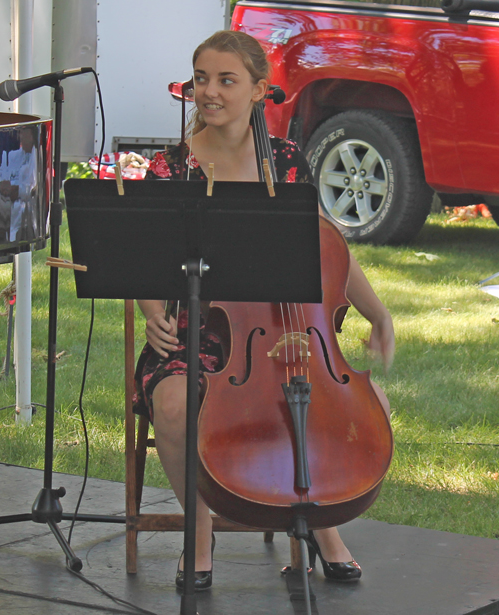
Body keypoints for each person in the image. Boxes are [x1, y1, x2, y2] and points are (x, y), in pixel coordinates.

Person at [133, 30, 394, 591]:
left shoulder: (287, 162)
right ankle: (197, 533)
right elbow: (143, 259)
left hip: (281, 332)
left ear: (258, 91)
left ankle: (321, 527)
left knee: (358, 403)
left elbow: (329, 252)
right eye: (202, 78)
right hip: (194, 332)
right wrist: (152, 309)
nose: (210, 91)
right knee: (175, 403)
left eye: (227, 80)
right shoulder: (172, 169)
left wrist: (380, 314)